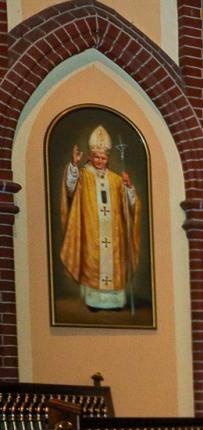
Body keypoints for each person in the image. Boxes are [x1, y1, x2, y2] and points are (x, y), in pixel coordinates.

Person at [58, 124, 141, 312]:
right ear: (90, 156)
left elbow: (132, 205)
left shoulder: (116, 179)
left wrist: (129, 187)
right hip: (92, 230)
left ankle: (115, 302)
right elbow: (69, 188)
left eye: (103, 157)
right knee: (92, 260)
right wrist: (73, 165)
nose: (100, 160)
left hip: (114, 232)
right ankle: (93, 301)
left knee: (114, 263)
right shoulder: (84, 175)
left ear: (107, 159)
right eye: (96, 157)